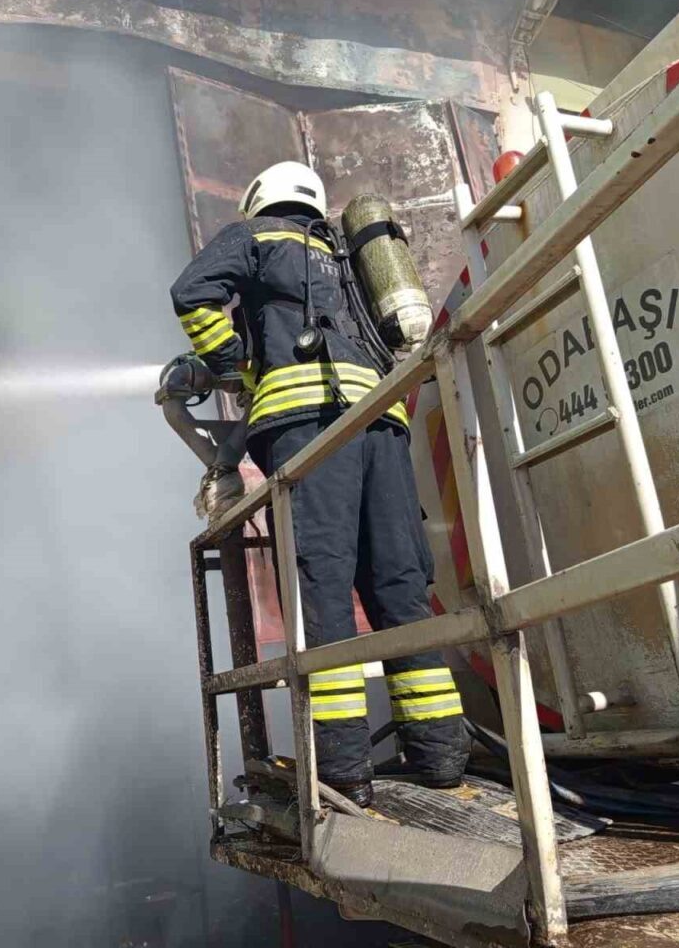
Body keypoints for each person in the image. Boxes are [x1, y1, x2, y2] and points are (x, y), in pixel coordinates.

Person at [169, 161, 470, 807]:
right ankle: (442, 758)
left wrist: (229, 364)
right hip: (382, 425)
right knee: (399, 587)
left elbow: (191, 291)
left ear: (260, 200)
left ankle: (343, 772)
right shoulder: (349, 255)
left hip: (309, 434)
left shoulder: (255, 238)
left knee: (325, 590)